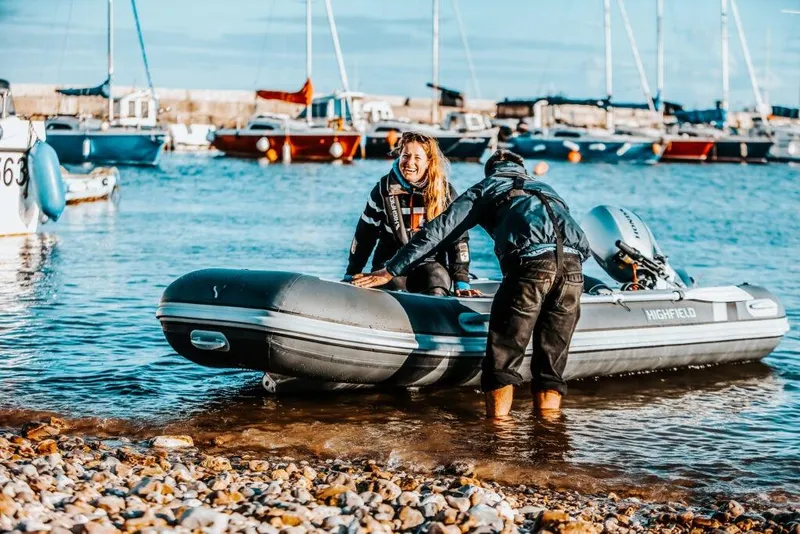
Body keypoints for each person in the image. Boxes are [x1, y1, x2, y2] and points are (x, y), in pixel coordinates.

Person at [353, 149, 590, 417]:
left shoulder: (487, 187)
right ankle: (549, 437)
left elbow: (438, 230)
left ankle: (498, 436)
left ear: (490, 171)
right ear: (521, 169)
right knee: (551, 367)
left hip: (530, 267)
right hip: (573, 269)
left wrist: (390, 270)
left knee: (503, 360)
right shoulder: (547, 190)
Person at [344, 131, 480, 297]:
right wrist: (352, 273)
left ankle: (435, 316)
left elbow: (459, 240)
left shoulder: (445, 192)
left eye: (417, 158)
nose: (409, 163)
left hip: (431, 264)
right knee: (393, 286)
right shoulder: (382, 190)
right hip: (387, 266)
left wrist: (461, 280)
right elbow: (364, 235)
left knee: (436, 279)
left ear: (429, 162)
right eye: (405, 155)